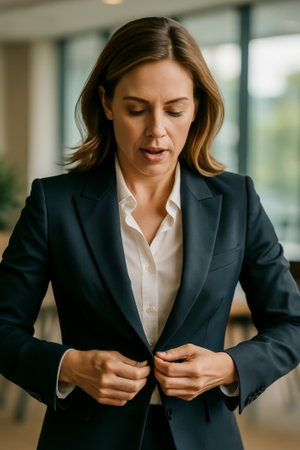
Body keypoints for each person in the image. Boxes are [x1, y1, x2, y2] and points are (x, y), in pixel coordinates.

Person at [0, 16, 299, 450]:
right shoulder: (54, 203)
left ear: (196, 107)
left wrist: (227, 366)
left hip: (206, 438)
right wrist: (71, 366)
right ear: (106, 103)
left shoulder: (238, 200)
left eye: (175, 109)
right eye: (136, 109)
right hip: (86, 439)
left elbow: (290, 323)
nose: (156, 129)